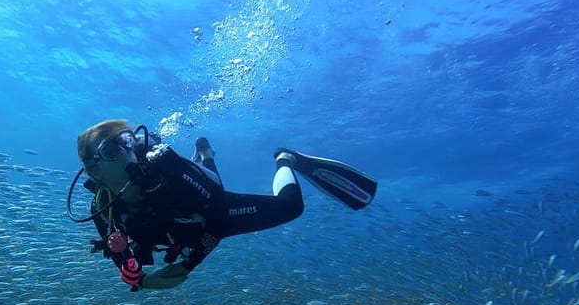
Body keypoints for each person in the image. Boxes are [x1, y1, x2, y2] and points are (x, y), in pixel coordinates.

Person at [69, 119, 377, 291]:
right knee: (208, 177)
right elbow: (126, 268)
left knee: (291, 207)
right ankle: (204, 151)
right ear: (94, 170)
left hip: (213, 209)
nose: (128, 152)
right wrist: (137, 276)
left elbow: (217, 216)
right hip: (185, 225)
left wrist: (188, 264)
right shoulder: (105, 208)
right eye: (112, 150)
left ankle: (286, 159)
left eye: (127, 140)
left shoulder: (165, 166)